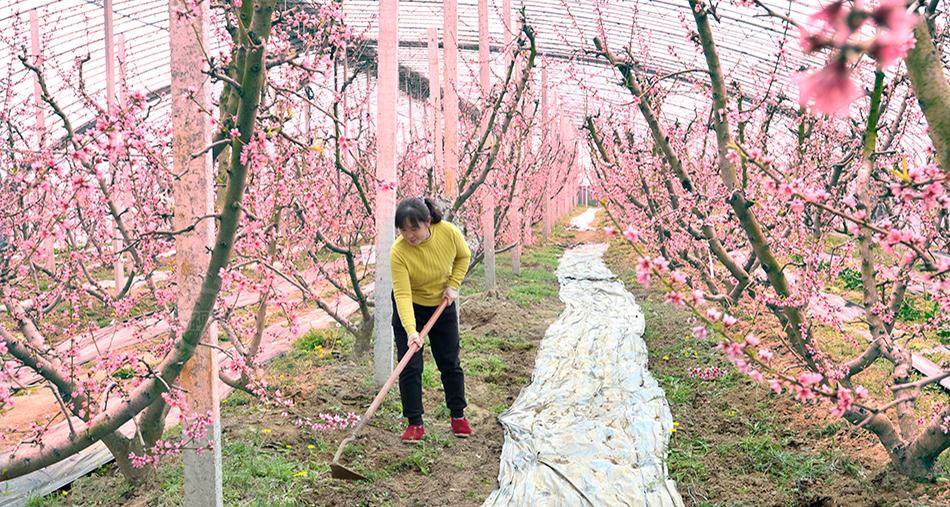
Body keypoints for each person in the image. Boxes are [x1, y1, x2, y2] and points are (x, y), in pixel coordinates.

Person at [390, 196, 472, 442]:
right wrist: (411, 331)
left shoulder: (448, 233)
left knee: (449, 362)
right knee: (410, 365)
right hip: (411, 308)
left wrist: (453, 285)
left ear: (428, 222)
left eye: (413, 228)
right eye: (403, 230)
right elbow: (402, 294)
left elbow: (463, 256)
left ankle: (458, 415)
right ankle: (414, 423)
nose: (409, 235)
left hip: (441, 304)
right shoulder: (399, 252)